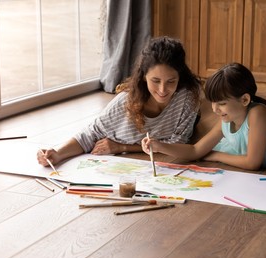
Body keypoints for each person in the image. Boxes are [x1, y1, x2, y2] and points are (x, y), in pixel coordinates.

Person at [37, 36, 202, 167]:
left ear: (180, 76)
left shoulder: (186, 97)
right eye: (156, 81)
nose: (162, 89)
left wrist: (122, 147)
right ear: (144, 76)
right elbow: (90, 134)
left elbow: (178, 144)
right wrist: (57, 153)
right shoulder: (126, 102)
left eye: (171, 81)